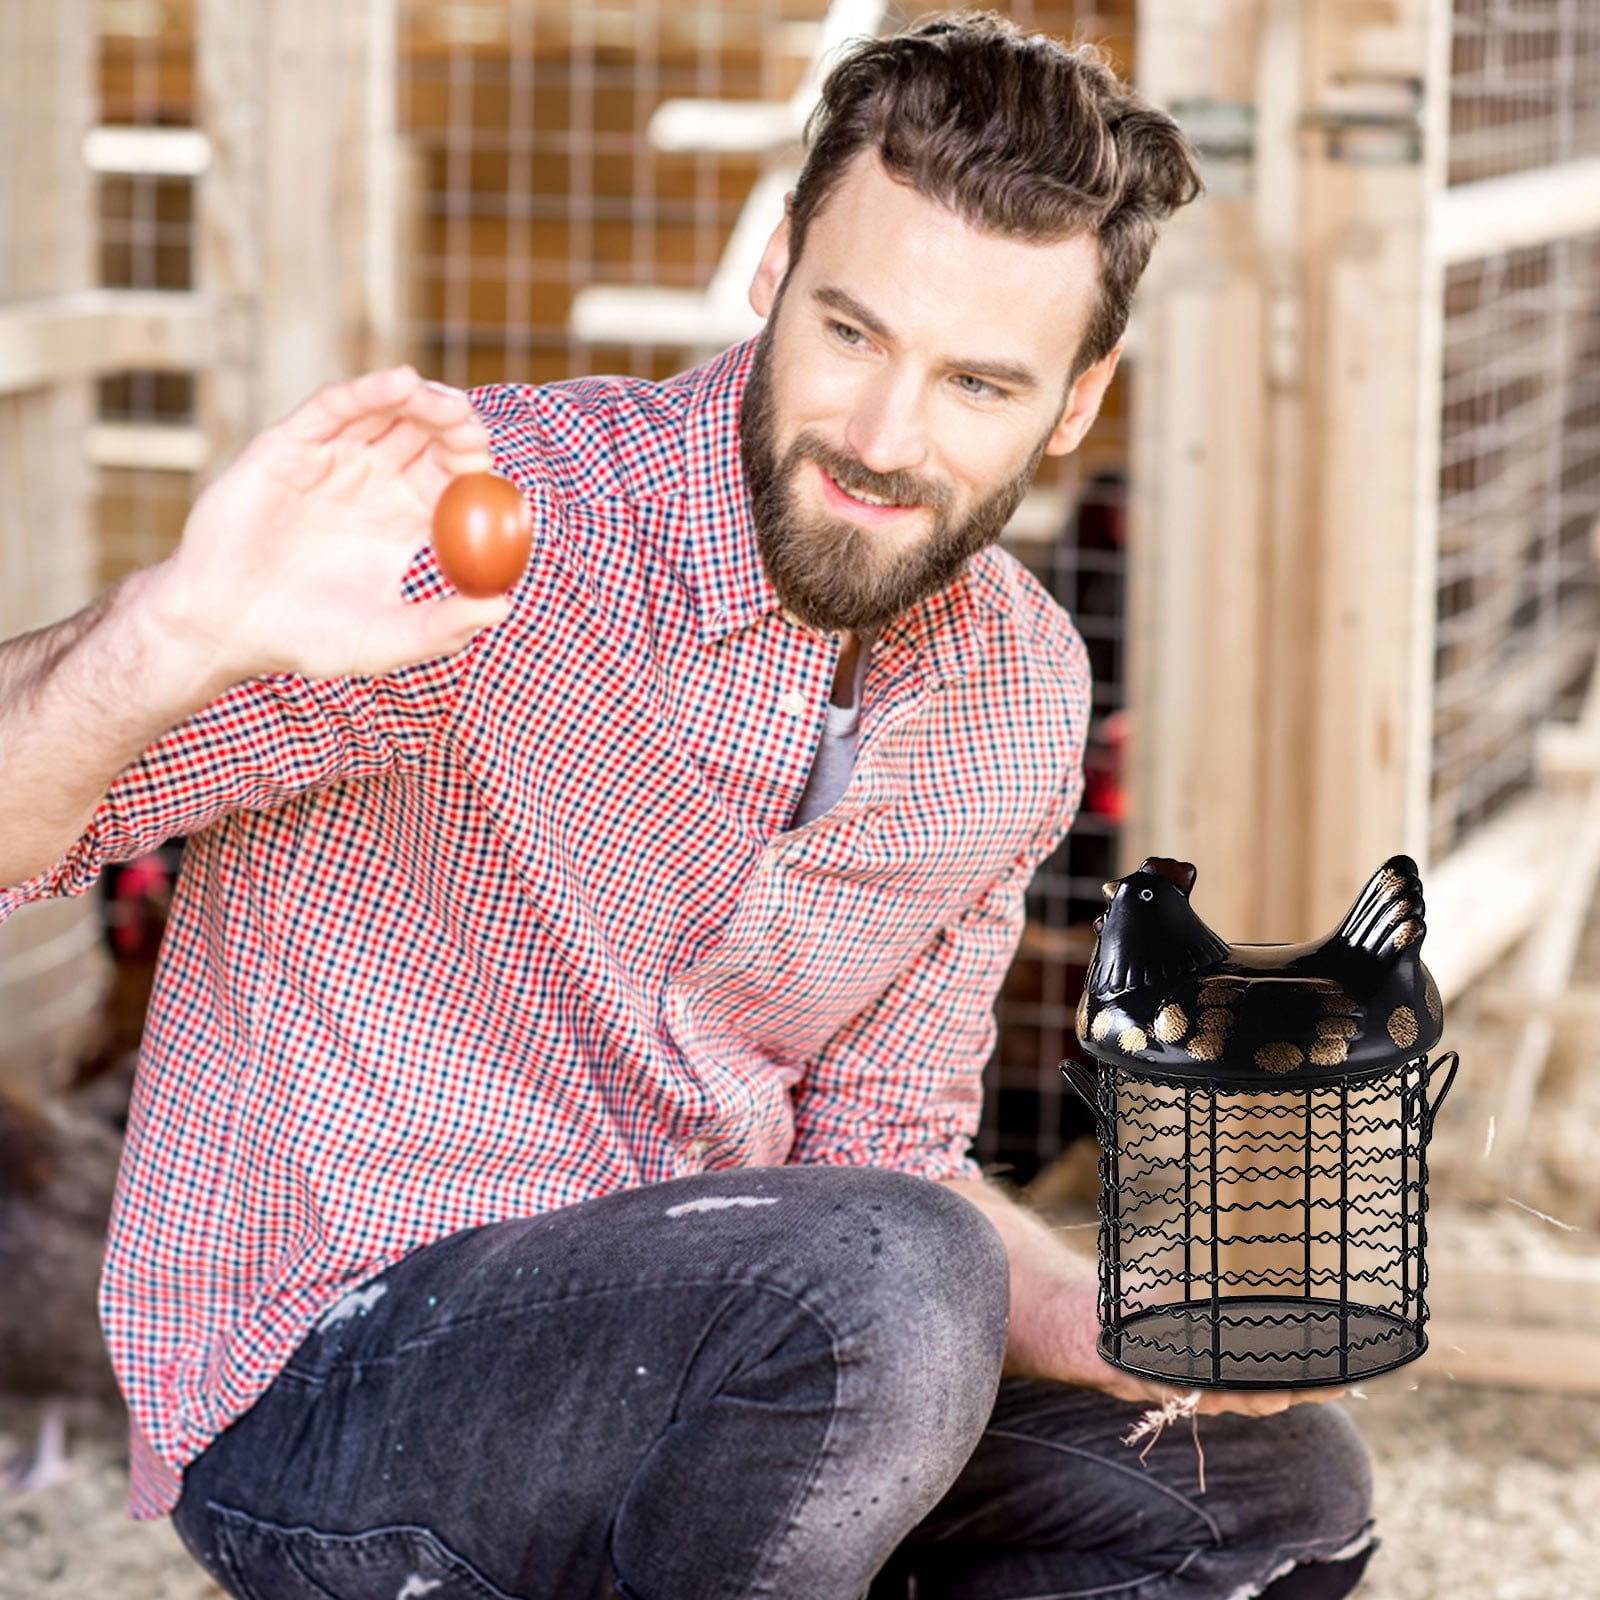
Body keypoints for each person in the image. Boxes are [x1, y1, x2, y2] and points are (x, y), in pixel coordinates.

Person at [0, 15, 1374, 1599]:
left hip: (747, 1373)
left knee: (1256, 1494)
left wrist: (1100, 1315)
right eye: (851, 332)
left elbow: (893, 1149)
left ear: (1074, 403)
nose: (880, 437)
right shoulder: (496, 532)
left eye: (978, 381)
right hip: (334, 1391)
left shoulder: (1019, 688)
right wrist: (169, 629)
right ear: (775, 267)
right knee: (878, 1282)